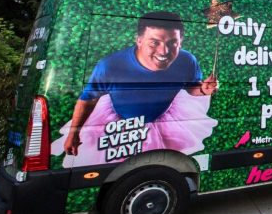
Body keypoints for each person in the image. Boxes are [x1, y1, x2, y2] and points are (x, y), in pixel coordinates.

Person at [53, 11, 218, 167]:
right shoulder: (110, 65)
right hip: (117, 125)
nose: (164, 51)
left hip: (161, 121)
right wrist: (74, 133)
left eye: (172, 43)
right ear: (139, 40)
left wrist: (203, 90)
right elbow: (88, 100)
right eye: (154, 42)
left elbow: (191, 87)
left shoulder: (186, 60)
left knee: (158, 165)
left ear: (180, 41)